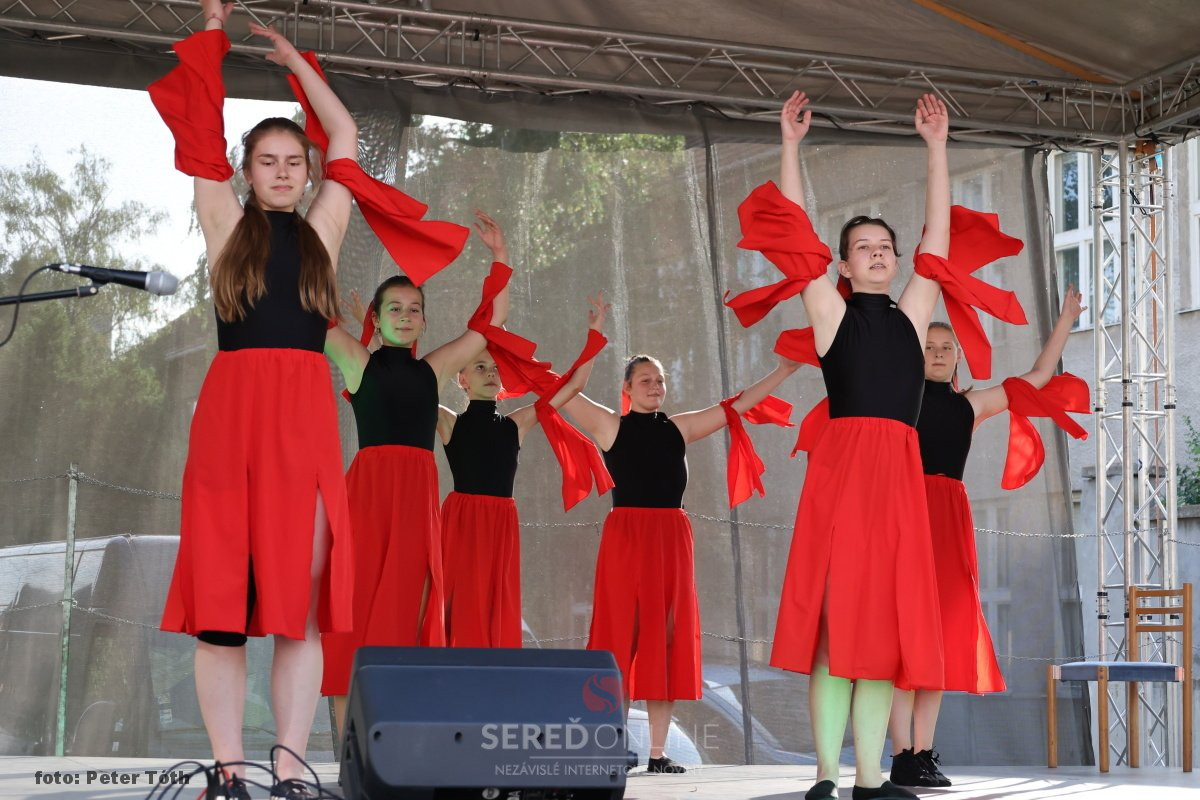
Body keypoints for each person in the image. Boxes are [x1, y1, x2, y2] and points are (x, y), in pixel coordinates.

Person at [154, 2, 361, 797]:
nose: (280, 172)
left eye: (292, 162)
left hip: (303, 424)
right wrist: (212, 28)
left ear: (308, 174)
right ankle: (230, 771)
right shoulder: (222, 221)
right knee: (222, 608)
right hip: (231, 422)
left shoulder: (324, 230)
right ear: (246, 171)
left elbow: (344, 134)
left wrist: (296, 63)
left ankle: (289, 767)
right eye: (266, 161)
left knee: (298, 609)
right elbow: (199, 125)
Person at [761, 90, 951, 800]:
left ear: (897, 261)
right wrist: (790, 147)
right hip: (844, 476)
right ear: (842, 265)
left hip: (898, 476)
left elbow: (939, 242)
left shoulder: (915, 312)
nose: (876, 254)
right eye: (862, 247)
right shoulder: (829, 312)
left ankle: (871, 777)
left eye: (884, 247)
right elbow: (793, 234)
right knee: (835, 628)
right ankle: (826, 775)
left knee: (880, 630)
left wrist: (937, 149)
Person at [320, 211, 511, 737]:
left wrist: (499, 256)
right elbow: (311, 314)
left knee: (408, 614)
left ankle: (396, 743)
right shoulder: (359, 362)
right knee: (354, 614)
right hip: (367, 499)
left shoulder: (435, 369)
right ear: (377, 318)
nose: (405, 317)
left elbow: (489, 326)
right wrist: (317, 236)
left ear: (424, 322)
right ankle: (351, 749)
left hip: (416, 503)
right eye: (394, 309)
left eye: (414, 310)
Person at [564, 353, 800, 773]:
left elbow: (737, 405)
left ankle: (657, 755)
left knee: (665, 642)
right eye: (644, 380)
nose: (654, 386)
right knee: (618, 640)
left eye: (659, 380)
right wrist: (592, 344)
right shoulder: (610, 425)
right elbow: (566, 393)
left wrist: (782, 371)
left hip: (671, 541)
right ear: (627, 388)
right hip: (626, 542)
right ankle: (611, 747)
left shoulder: (680, 428)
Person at [888, 286, 1085, 787]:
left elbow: (1037, 377)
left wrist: (1066, 319)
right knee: (903, 643)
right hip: (905, 519)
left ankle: (923, 753)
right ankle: (900, 754)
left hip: (948, 523)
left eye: (946, 348)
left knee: (937, 640)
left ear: (958, 357)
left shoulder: (970, 405)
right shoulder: (894, 401)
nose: (937, 354)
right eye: (928, 347)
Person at [439, 294, 610, 648]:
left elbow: (573, 386)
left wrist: (595, 335)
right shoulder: (449, 421)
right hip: (461, 522)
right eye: (480, 367)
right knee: (457, 607)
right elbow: (409, 387)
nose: (490, 373)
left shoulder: (516, 424)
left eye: (494, 368)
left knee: (495, 608)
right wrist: (377, 339)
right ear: (462, 379)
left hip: (500, 523)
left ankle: (494, 675)